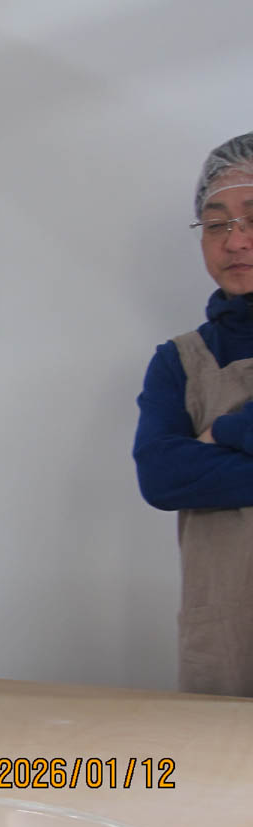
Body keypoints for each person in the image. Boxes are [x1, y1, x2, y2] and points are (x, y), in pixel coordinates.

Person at [133, 131, 253, 697]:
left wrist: (224, 429)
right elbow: (161, 477)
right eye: (216, 224)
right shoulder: (178, 360)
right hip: (224, 630)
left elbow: (189, 467)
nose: (236, 241)